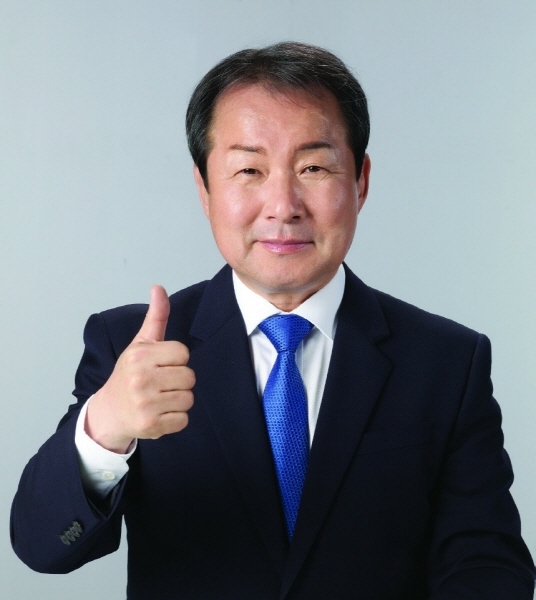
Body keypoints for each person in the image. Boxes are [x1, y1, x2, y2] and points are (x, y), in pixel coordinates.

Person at [11, 42, 535, 599]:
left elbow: (486, 563)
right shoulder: (134, 349)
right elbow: (42, 545)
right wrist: (105, 429)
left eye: (313, 167)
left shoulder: (446, 362)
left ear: (360, 181)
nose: (283, 205)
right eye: (249, 169)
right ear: (204, 189)